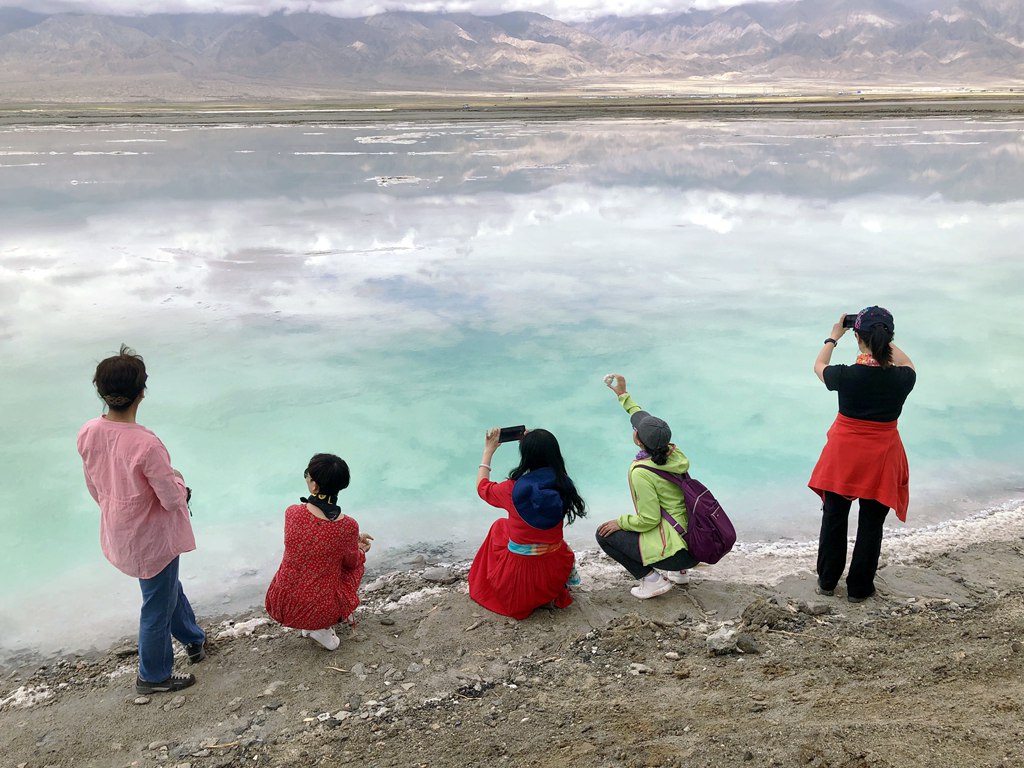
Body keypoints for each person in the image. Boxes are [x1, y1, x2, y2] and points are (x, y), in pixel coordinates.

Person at [77, 344, 206, 695]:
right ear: (142, 393)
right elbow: (171, 499)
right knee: (156, 606)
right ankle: (153, 676)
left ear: (101, 392)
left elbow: (94, 484)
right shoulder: (147, 444)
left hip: (119, 529)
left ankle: (194, 639)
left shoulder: (88, 432)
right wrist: (180, 481)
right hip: (152, 537)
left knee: (165, 589)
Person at [809, 306, 916, 603]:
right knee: (871, 523)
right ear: (889, 338)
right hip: (882, 456)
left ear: (857, 337)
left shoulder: (845, 375)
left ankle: (827, 582)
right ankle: (859, 589)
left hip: (844, 454)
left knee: (834, 516)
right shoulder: (903, 379)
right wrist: (882, 341)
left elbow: (819, 365)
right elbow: (908, 363)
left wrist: (833, 337)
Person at [596, 374, 697, 599]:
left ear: (638, 440)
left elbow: (649, 519)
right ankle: (680, 573)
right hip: (694, 542)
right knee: (672, 508)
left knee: (604, 534)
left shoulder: (641, 471)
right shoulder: (674, 453)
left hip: (677, 553)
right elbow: (643, 418)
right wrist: (623, 395)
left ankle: (652, 580)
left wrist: (620, 522)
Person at [470, 428, 586, 619]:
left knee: (499, 526)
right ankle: (548, 595)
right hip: (552, 576)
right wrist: (535, 441)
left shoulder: (512, 489)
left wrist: (488, 451)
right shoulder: (563, 484)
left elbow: (482, 488)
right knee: (504, 526)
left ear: (525, 456)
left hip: (520, 585)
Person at [265, 453, 373, 650]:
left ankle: (310, 624)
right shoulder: (348, 526)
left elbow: (312, 541)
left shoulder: (292, 513)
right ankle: (320, 627)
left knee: (309, 562)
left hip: (282, 602)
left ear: (314, 486)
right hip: (319, 609)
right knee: (355, 565)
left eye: (308, 474)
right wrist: (359, 548)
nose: (307, 477)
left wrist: (350, 540)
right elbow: (350, 561)